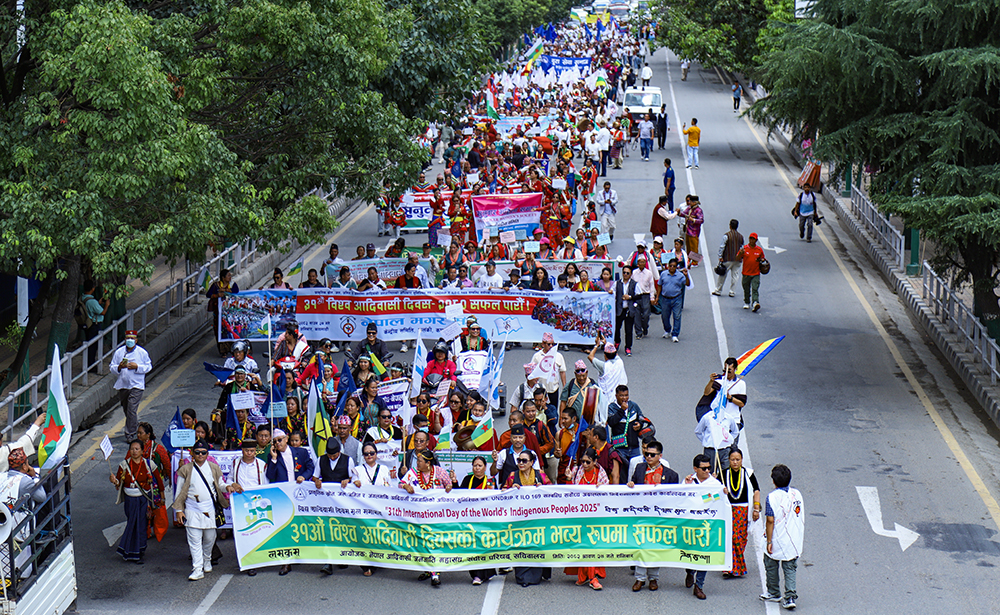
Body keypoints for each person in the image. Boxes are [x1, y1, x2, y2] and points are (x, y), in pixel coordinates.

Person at [626, 440, 679, 590]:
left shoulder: (670, 475)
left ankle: (654, 578)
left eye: (652, 454)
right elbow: (633, 484)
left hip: (658, 517)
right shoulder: (639, 468)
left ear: (660, 456)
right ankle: (640, 578)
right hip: (641, 514)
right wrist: (631, 485)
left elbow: (675, 496)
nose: (648, 457)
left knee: (655, 547)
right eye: (646, 454)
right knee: (641, 546)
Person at [175, 440, 228, 581]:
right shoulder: (185, 469)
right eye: (197, 452)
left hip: (209, 509)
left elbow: (221, 484)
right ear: (192, 453)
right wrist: (179, 510)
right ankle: (197, 568)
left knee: (210, 538)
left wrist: (229, 486)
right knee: (194, 540)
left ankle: (207, 559)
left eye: (203, 452)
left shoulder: (214, 468)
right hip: (192, 508)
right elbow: (179, 492)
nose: (200, 455)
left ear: (207, 454)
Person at [399, 450, 453, 586]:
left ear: (428, 463)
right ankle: (428, 569)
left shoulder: (439, 472)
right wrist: (405, 486)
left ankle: (435, 573)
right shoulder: (413, 472)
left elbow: (449, 485)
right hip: (419, 516)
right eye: (417, 461)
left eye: (420, 461)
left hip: (436, 515)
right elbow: (400, 483)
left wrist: (449, 486)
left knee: (433, 542)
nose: (417, 463)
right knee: (423, 543)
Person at [110, 441, 163, 564]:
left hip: (143, 499)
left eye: (137, 449)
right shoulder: (124, 465)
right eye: (132, 449)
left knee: (141, 525)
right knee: (132, 523)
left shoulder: (149, 464)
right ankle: (130, 550)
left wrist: (162, 497)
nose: (134, 451)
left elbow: (159, 481)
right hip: (130, 500)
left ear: (142, 451)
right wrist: (114, 480)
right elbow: (119, 483)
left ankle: (139, 552)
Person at [505, 448, 552, 586]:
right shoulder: (513, 476)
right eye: (519, 460)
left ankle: (538, 574)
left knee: (537, 545)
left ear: (531, 462)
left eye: (524, 461)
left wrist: (543, 488)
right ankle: (523, 577)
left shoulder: (540, 475)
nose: (521, 463)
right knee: (522, 546)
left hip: (538, 519)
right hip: (519, 520)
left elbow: (552, 491)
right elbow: (503, 492)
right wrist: (510, 490)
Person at [761, 464, 805, 610]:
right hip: (793, 538)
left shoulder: (772, 497)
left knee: (770, 563)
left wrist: (769, 541)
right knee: (790, 567)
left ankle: (774, 592)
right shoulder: (797, 494)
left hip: (777, 537)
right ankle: (790, 596)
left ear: (773, 481)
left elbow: (770, 520)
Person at [567, 447, 608, 590]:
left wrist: (602, 489)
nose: (584, 464)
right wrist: (568, 478)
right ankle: (583, 576)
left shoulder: (601, 474)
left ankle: (592, 577)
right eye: (583, 461)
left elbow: (607, 494)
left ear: (595, 462)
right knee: (582, 545)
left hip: (595, 517)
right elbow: (569, 493)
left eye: (588, 462)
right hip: (579, 516)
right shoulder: (576, 471)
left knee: (592, 546)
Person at [684, 454, 723, 599]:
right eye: (704, 468)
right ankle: (690, 571)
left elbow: (717, 498)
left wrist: (702, 499)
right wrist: (688, 488)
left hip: (707, 525)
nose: (707, 471)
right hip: (690, 525)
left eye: (709, 468)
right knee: (690, 552)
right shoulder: (688, 481)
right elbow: (681, 499)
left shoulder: (715, 484)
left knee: (705, 553)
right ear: (695, 469)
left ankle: (699, 585)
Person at [459, 455, 497, 585]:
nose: (477, 468)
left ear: (485, 467)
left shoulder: (490, 481)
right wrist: (454, 482)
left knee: (484, 546)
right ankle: (476, 575)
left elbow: (494, 499)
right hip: (470, 518)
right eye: (475, 465)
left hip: (485, 518)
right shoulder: (467, 479)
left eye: (480, 465)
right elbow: (459, 495)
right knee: (472, 547)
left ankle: (486, 573)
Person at [722, 448, 760, 579]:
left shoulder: (748, 474)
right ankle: (729, 568)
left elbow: (756, 491)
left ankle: (733, 565)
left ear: (742, 460)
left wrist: (756, 508)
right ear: (729, 460)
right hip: (728, 510)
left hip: (743, 511)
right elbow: (715, 492)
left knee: (740, 538)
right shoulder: (723, 474)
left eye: (737, 459)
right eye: (732, 459)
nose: (735, 462)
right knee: (731, 537)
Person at [110, 330, 152, 442]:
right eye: (128, 338)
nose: (130, 341)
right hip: (123, 385)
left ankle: (130, 433)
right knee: (127, 409)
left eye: (132, 339)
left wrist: (137, 367)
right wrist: (119, 367)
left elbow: (148, 367)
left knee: (131, 408)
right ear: (125, 340)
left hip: (136, 385)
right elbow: (112, 367)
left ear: (136, 340)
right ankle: (135, 424)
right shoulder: (119, 352)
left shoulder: (142, 353)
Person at [587, 338, 627, 416]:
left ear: (605, 355)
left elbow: (590, 356)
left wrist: (597, 345)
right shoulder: (620, 362)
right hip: (619, 399)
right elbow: (615, 354)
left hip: (606, 401)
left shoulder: (603, 366)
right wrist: (606, 344)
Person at [606, 385, 645, 465]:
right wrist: (621, 410)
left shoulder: (633, 405)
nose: (624, 398)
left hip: (634, 447)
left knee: (636, 468)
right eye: (621, 395)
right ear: (616, 396)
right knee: (621, 469)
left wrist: (640, 424)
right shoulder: (611, 407)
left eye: (626, 395)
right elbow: (611, 422)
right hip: (619, 447)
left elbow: (641, 417)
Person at [654, 258, 690, 342]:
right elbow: (659, 285)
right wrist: (657, 297)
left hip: (676, 298)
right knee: (664, 316)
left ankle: (675, 334)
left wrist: (686, 276)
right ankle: (667, 330)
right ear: (668, 266)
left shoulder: (680, 275)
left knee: (677, 316)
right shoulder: (663, 274)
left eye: (674, 266)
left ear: (676, 267)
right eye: (670, 266)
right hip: (665, 299)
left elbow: (687, 284)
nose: (672, 268)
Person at [207, 269, 239, 355]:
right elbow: (208, 294)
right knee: (219, 330)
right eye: (228, 275)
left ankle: (231, 348)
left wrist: (228, 291)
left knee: (230, 329)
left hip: (229, 313)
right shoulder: (216, 285)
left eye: (230, 275)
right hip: (218, 313)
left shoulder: (232, 284)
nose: (230, 277)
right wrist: (217, 295)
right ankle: (223, 351)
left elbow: (236, 291)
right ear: (223, 277)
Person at [531, 332, 566, 410]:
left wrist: (564, 386)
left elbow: (562, 371)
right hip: (540, 388)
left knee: (553, 410)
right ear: (543, 344)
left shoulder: (559, 356)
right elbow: (532, 372)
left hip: (553, 388)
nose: (551, 346)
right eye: (549, 344)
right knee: (540, 409)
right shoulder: (537, 356)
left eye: (552, 344)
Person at [80, 280, 109, 366]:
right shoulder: (92, 301)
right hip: (94, 325)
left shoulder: (83, 297)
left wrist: (98, 303)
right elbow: (102, 312)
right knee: (93, 346)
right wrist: (107, 305)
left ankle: (89, 363)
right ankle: (91, 365)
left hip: (87, 324)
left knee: (89, 344)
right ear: (93, 288)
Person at [712, 219, 744, 297]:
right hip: (737, 260)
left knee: (723, 274)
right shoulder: (740, 236)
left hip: (728, 258)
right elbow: (742, 248)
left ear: (730, 226)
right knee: (735, 276)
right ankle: (732, 291)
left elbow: (722, 246)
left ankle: (718, 290)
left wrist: (720, 256)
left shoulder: (727, 235)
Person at [737, 232, 765, 312]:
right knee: (746, 288)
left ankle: (755, 302)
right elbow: (737, 258)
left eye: (753, 239)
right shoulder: (744, 249)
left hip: (755, 273)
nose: (752, 240)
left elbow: (763, 259)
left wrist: (762, 261)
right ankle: (747, 301)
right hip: (746, 273)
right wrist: (740, 254)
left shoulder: (759, 250)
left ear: (756, 240)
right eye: (751, 239)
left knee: (755, 288)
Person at [630, 254, 656, 339]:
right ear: (637, 263)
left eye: (643, 262)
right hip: (637, 296)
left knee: (646, 314)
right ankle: (638, 332)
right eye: (640, 262)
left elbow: (651, 286)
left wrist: (652, 297)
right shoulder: (634, 273)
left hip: (645, 296)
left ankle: (645, 327)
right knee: (636, 314)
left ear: (645, 263)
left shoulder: (649, 273)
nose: (641, 263)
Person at [614, 266, 636, 356]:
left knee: (628, 330)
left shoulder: (634, 284)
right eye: (624, 272)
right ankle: (617, 342)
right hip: (619, 309)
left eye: (627, 273)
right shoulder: (617, 283)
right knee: (617, 328)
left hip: (629, 309)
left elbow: (639, 296)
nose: (625, 274)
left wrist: (630, 297)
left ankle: (628, 347)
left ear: (631, 274)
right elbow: (613, 293)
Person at [683, 197, 704, 265]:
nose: (689, 203)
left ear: (694, 202)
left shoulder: (698, 210)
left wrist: (693, 220)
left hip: (694, 231)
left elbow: (701, 220)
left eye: (691, 201)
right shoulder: (689, 208)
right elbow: (684, 213)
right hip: (688, 230)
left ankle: (695, 262)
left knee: (694, 247)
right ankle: (689, 260)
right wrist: (678, 212)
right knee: (689, 246)